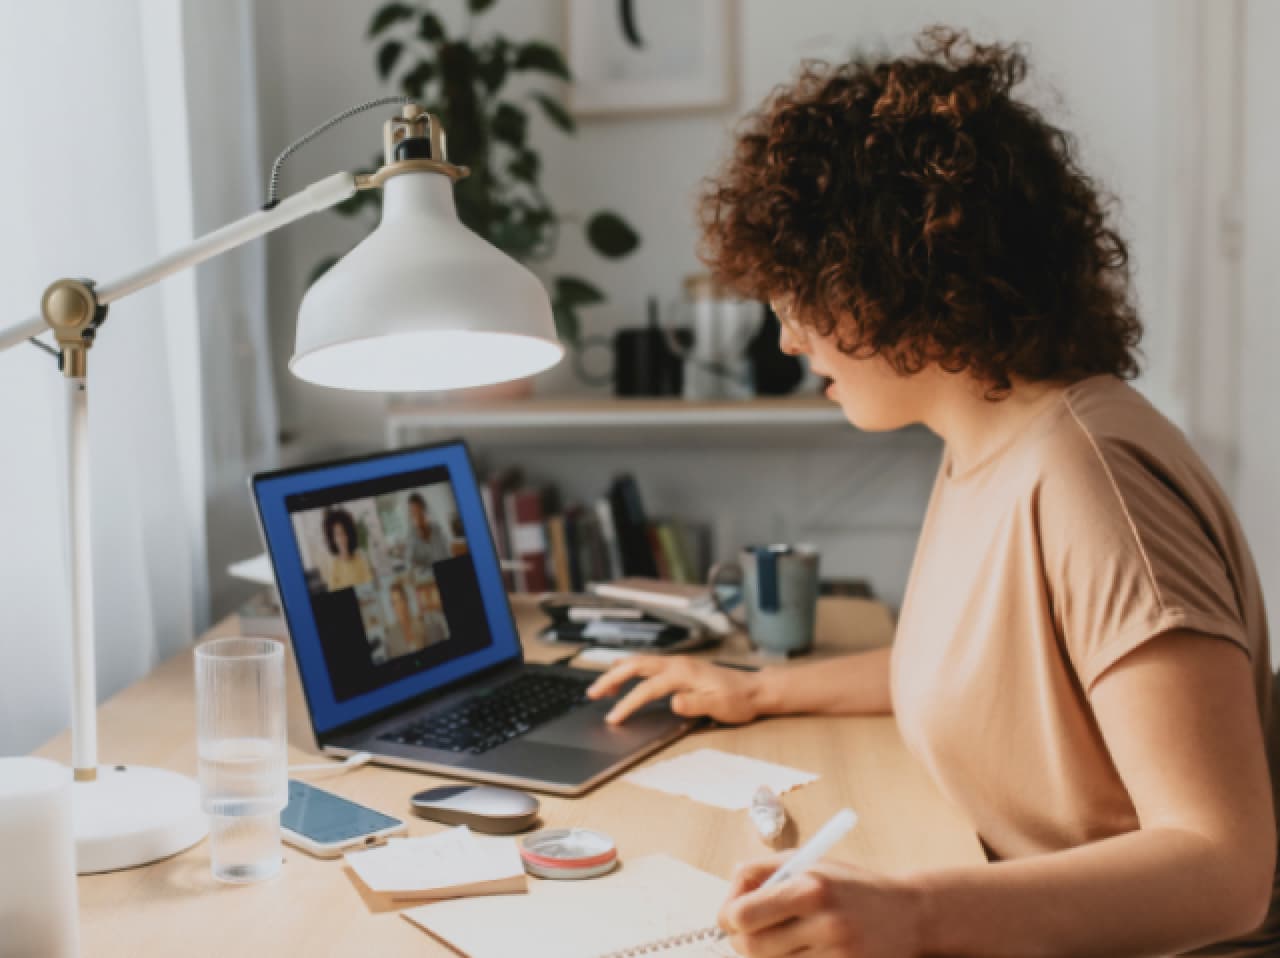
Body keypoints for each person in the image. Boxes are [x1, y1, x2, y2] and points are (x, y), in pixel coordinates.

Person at [588, 28, 1277, 958]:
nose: (789, 340)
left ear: (891, 278)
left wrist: (910, 914)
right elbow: (993, 672)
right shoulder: (988, 440)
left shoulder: (1089, 479)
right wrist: (756, 691)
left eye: (798, 297)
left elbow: (1223, 869)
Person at [321, 507, 372, 591]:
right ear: (333, 539)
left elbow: (370, 585)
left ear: (349, 534)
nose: (341, 538)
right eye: (337, 535)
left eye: (344, 532)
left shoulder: (360, 559)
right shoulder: (333, 567)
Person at [406, 492, 451, 575]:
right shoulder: (411, 535)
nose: (417, 516)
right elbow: (409, 563)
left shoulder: (436, 529)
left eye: (418, 510)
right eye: (413, 512)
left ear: (424, 509)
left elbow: (446, 554)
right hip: (425, 577)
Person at [387, 580, 428, 655]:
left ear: (406, 601)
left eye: (400, 600)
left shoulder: (421, 625)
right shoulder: (391, 635)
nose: (397, 607)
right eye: (394, 603)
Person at [414, 579, 450, 647]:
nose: (419, 601)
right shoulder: (418, 621)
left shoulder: (437, 615)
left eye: (422, 596)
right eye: (417, 598)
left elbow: (446, 633)